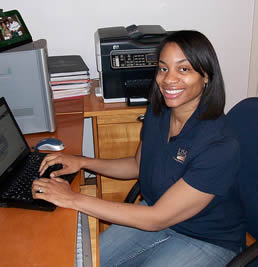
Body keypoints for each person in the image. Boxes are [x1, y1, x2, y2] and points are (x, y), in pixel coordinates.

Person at [32, 30, 243, 266]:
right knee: (84, 261)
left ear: (206, 76)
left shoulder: (220, 144)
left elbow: (156, 219)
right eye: (163, 68)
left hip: (207, 239)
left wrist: (72, 199)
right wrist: (82, 161)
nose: (168, 79)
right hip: (155, 213)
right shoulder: (159, 112)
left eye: (184, 69)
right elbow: (136, 165)